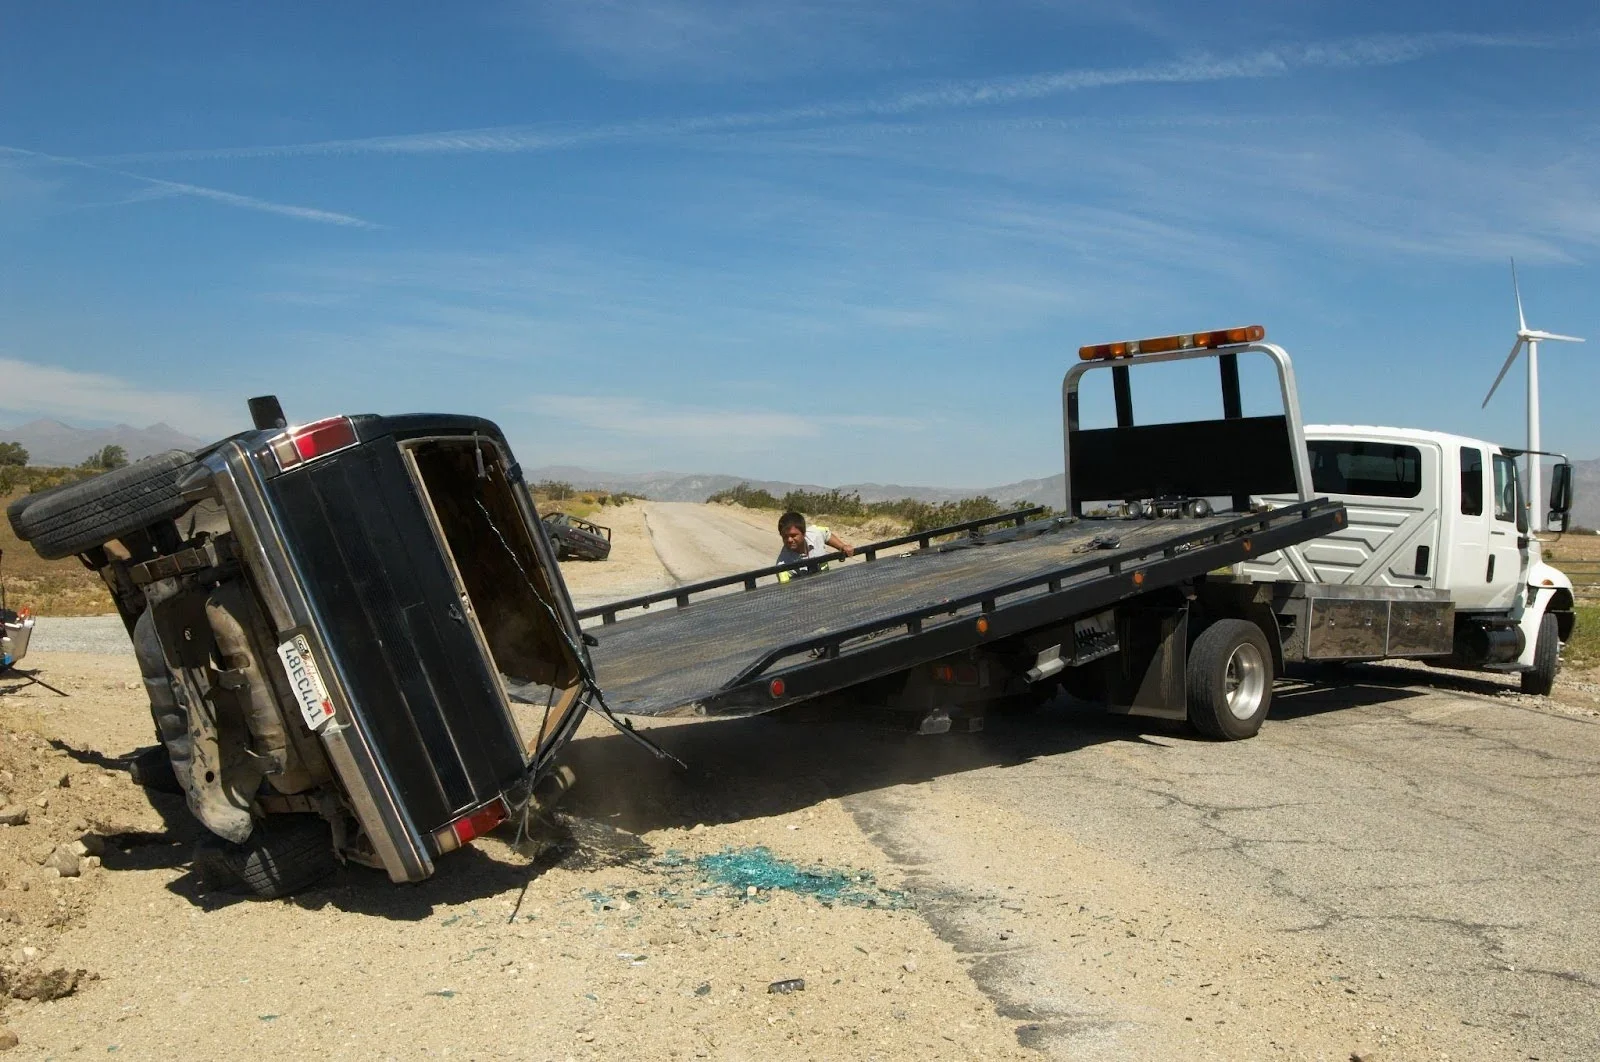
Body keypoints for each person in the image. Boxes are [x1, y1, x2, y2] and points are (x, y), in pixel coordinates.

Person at [776, 511, 854, 582]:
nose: (789, 540)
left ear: (804, 533)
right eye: (785, 536)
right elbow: (787, 591)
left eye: (793, 535)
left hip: (827, 582)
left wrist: (842, 546)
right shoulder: (782, 567)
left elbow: (826, 534)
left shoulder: (816, 533)